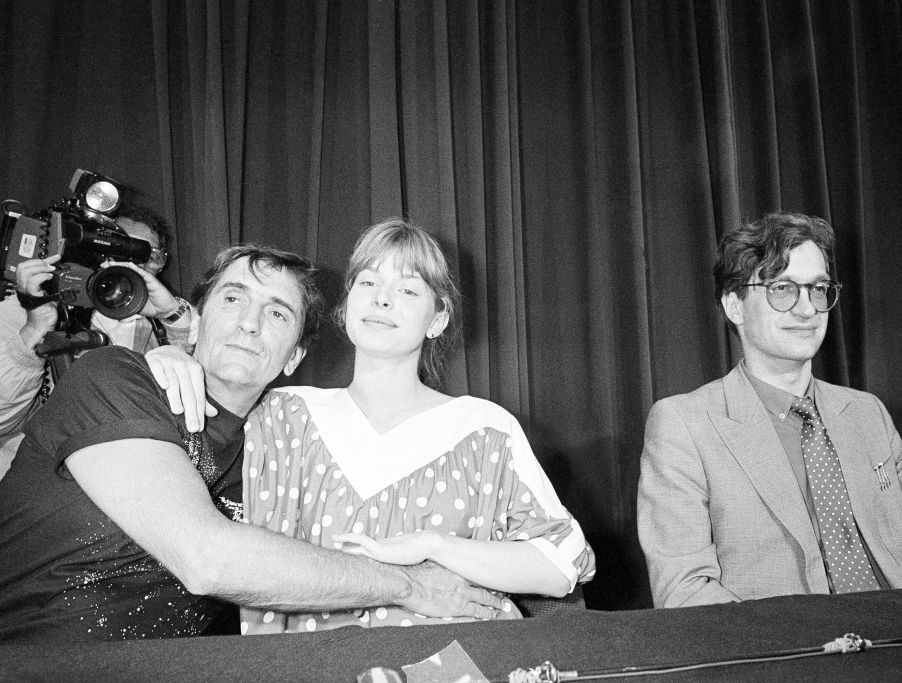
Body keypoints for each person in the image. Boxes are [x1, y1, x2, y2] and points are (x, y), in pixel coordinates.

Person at [0, 244, 503, 642]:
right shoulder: (114, 378)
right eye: (233, 297)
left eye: (278, 314)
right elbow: (205, 557)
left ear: (293, 358)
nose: (249, 322)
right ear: (197, 321)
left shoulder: (278, 450)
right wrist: (412, 587)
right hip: (36, 660)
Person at [151, 219, 596, 634]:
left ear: (438, 319)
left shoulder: (483, 428)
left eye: (407, 290)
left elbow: (564, 565)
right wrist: (170, 355)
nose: (382, 299)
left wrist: (435, 545)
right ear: (345, 310)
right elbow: (210, 404)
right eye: (368, 282)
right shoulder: (282, 413)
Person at [637, 212, 902, 608]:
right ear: (735, 306)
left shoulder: (867, 414)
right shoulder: (684, 425)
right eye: (782, 288)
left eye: (818, 288)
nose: (808, 309)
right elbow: (684, 591)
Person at [0, 205, 194, 479]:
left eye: (144, 254)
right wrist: (35, 330)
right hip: (34, 489)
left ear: (159, 264)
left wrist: (173, 316)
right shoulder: (26, 310)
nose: (131, 265)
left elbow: (198, 412)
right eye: (118, 250)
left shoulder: (156, 325)